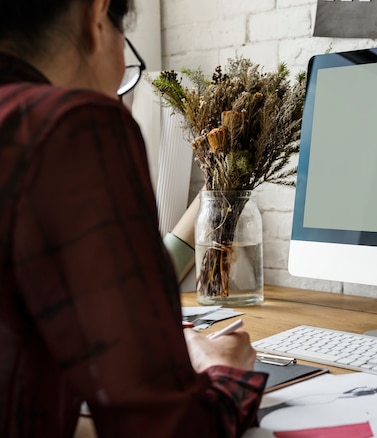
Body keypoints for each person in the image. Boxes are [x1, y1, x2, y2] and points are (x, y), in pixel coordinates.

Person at [0, 1, 267, 437]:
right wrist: (227, 372)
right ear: (96, 15)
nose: (123, 93)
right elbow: (168, 429)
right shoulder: (69, 124)